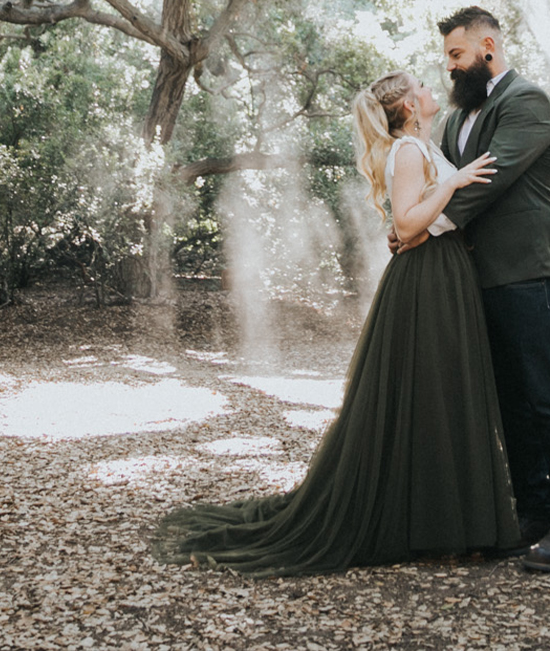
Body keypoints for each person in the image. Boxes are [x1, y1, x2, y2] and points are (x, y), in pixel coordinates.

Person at [148, 70, 522, 576]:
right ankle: (436, 527)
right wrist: (452, 182)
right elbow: (409, 222)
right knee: (431, 392)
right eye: (423, 87)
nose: (434, 90)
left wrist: (433, 198)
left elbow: (408, 224)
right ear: (411, 106)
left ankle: (452, 522)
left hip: (445, 271)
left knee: (445, 391)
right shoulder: (409, 152)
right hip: (428, 279)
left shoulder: (422, 146)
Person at [392, 6, 550, 573]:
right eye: (448, 59)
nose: (452, 68)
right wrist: (411, 220)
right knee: (507, 398)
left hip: (524, 273)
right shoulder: (459, 117)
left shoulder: (527, 103)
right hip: (471, 278)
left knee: (547, 395)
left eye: (457, 56)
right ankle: (532, 511)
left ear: (487, 45)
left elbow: (485, 183)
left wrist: (415, 228)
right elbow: (441, 183)